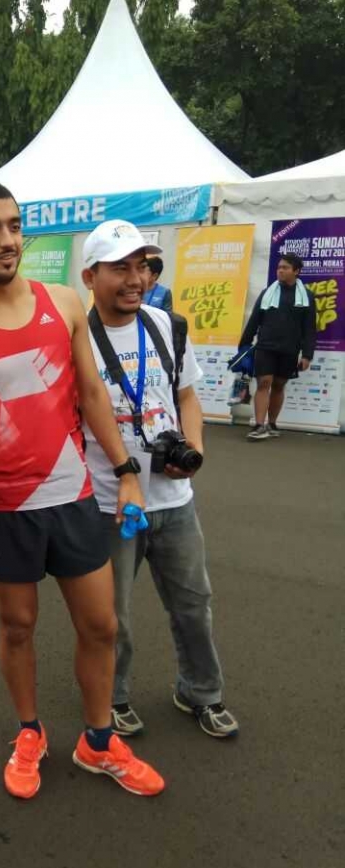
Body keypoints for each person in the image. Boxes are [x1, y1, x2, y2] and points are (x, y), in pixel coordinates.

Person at [0, 181, 165, 801]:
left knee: (101, 625)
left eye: (13, 226)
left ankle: (97, 739)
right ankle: (29, 731)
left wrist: (128, 472)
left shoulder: (62, 303)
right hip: (7, 508)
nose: (7, 240)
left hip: (74, 494)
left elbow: (90, 393)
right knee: (17, 627)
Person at [81, 219, 239, 740]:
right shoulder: (75, 337)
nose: (135, 278)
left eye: (142, 266)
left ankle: (201, 692)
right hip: (109, 502)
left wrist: (193, 449)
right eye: (119, 267)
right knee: (113, 618)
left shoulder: (166, 325)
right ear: (90, 275)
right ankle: (114, 696)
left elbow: (187, 396)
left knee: (194, 603)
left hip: (174, 498)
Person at [240, 253, 316, 440]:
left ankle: (272, 424)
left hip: (290, 349)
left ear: (296, 271)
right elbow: (254, 320)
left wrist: (307, 354)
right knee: (264, 382)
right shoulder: (268, 292)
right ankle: (259, 425)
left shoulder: (307, 296)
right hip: (265, 347)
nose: (280, 271)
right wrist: (244, 346)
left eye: (285, 268)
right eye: (279, 267)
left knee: (279, 385)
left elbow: (309, 328)